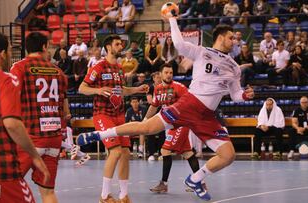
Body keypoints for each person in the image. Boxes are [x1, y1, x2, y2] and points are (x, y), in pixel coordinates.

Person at [77, 16, 254, 201]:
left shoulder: (235, 67)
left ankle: (195, 179)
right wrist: (171, 19)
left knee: (228, 155)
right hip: (189, 105)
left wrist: (244, 95)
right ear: (220, 37)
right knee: (147, 128)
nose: (235, 41)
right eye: (231, 37)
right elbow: (178, 43)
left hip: (206, 116)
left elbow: (235, 94)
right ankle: (98, 135)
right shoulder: (202, 52)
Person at [78, 34, 149, 203]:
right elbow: (82, 87)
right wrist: (98, 90)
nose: (120, 47)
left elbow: (121, 90)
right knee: (116, 151)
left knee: (125, 153)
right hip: (103, 114)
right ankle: (104, 196)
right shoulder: (98, 66)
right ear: (109, 47)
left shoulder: (119, 68)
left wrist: (137, 89)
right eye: (117, 44)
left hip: (119, 115)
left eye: (121, 44)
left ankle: (123, 195)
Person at [10, 31, 68, 203]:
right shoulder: (58, 71)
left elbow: (11, 98)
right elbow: (64, 107)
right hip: (54, 139)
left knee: (8, 184)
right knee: (48, 192)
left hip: (30, 137)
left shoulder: (19, 67)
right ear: (44, 47)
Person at [0, 31, 50, 203]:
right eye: (10, 50)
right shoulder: (5, 79)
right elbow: (12, 123)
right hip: (3, 171)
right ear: (3, 54)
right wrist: (34, 155)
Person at [145, 64, 204, 194]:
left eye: (171, 72)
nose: (169, 74)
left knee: (165, 150)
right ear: (160, 74)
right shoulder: (158, 89)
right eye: (166, 72)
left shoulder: (179, 88)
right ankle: (200, 183)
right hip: (171, 124)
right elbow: (154, 106)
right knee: (187, 153)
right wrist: (145, 120)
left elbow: (191, 103)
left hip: (181, 123)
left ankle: (164, 184)